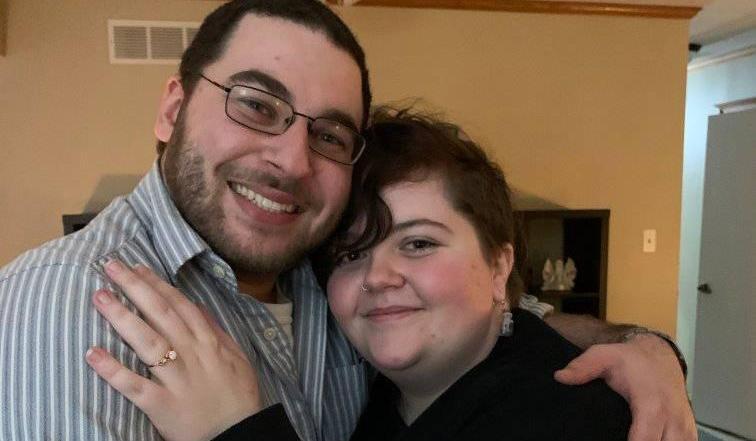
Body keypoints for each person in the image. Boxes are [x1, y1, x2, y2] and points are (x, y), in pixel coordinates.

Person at [0, 1, 695, 440]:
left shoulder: (313, 267)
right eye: (256, 104)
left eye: (329, 134)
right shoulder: (75, 302)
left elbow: (508, 318)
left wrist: (640, 346)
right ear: (173, 109)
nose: (291, 160)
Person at [88, 107, 634, 441]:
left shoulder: (572, 417)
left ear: (500, 265)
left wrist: (235, 430)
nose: (378, 277)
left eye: (418, 243)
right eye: (349, 255)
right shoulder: (389, 395)